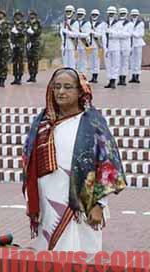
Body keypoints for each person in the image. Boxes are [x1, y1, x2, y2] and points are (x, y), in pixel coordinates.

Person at [22, 68, 126, 252]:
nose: (61, 92)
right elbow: (28, 163)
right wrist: (33, 202)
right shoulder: (41, 123)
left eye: (68, 87)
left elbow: (108, 164)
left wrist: (100, 204)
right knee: (48, 256)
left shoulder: (92, 122)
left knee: (81, 255)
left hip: (83, 205)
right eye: (57, 87)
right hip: (47, 203)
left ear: (80, 91)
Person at [103, 6, 120, 89]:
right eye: (110, 13)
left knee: (115, 64)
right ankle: (110, 80)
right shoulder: (105, 23)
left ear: (115, 13)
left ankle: (114, 80)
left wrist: (111, 32)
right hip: (107, 47)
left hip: (116, 46)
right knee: (108, 65)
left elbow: (121, 34)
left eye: (112, 13)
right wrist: (104, 46)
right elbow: (103, 35)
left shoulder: (118, 23)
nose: (111, 14)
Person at [117, 8, 132, 86]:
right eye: (121, 13)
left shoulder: (130, 24)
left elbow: (128, 34)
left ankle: (124, 78)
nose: (122, 14)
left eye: (124, 13)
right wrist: (122, 34)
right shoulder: (116, 23)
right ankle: (120, 78)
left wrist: (119, 34)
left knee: (125, 63)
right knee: (118, 62)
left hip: (126, 45)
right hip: (118, 45)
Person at [26, 10, 42, 83]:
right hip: (29, 43)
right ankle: (30, 75)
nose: (31, 16)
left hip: (35, 43)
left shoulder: (38, 23)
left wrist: (34, 32)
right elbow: (23, 30)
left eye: (33, 15)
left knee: (35, 60)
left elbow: (39, 32)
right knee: (29, 60)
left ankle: (34, 75)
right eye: (30, 15)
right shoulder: (27, 23)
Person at [129, 9, 145, 83]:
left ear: (137, 15)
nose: (134, 16)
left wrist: (132, 33)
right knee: (132, 60)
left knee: (138, 60)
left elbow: (141, 34)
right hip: (131, 43)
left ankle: (137, 76)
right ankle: (133, 76)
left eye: (135, 14)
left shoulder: (141, 23)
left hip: (138, 43)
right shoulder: (129, 22)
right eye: (133, 14)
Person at [89, 9, 105, 84]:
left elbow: (100, 34)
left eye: (95, 15)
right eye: (93, 15)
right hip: (90, 45)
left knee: (96, 61)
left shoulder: (101, 24)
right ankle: (92, 76)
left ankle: (95, 77)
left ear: (98, 16)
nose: (94, 16)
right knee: (91, 61)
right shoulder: (88, 24)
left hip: (97, 45)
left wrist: (93, 32)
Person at [10, 10, 26, 85]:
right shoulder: (12, 24)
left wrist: (18, 32)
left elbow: (24, 33)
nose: (17, 17)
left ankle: (19, 77)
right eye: (16, 15)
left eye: (19, 15)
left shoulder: (23, 24)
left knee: (20, 62)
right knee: (14, 62)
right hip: (14, 45)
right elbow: (9, 33)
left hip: (20, 45)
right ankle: (15, 77)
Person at [60, 5, 79, 69]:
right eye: (67, 11)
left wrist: (67, 31)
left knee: (72, 63)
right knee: (65, 63)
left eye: (69, 11)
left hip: (71, 43)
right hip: (64, 44)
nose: (68, 13)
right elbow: (61, 33)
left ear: (73, 12)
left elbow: (75, 34)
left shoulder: (75, 22)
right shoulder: (63, 22)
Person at [76, 8, 91, 75]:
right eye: (78, 14)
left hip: (84, 43)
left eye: (81, 14)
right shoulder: (75, 22)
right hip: (77, 44)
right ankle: (78, 75)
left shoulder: (87, 23)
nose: (79, 15)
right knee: (78, 61)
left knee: (84, 60)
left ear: (84, 15)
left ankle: (83, 75)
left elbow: (86, 34)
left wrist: (77, 34)